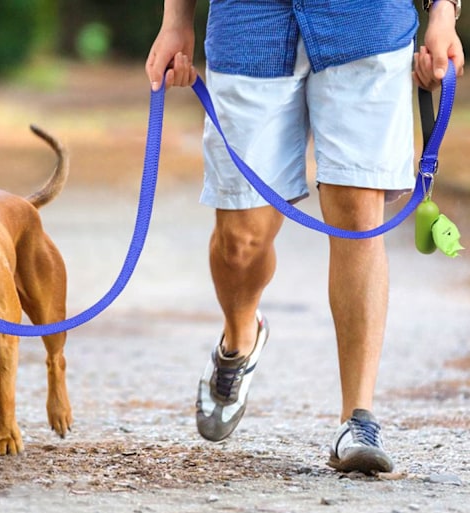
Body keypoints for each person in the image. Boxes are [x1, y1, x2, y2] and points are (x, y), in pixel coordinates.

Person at [145, 0, 464, 474]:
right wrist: (177, 19)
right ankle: (240, 337)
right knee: (240, 240)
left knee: (359, 217)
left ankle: (358, 419)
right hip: (250, 24)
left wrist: (443, 13)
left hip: (369, 23)